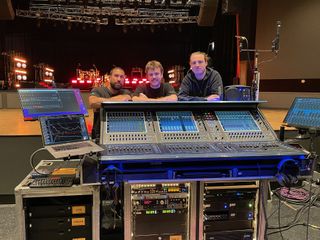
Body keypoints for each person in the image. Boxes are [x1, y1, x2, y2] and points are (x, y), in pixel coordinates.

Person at [89, 67, 131, 139]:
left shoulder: (126, 92)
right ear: (109, 77)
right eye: (116, 76)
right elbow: (92, 102)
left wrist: (103, 102)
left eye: (121, 77)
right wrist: (119, 99)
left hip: (121, 134)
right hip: (100, 136)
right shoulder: (98, 90)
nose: (119, 79)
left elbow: (130, 98)